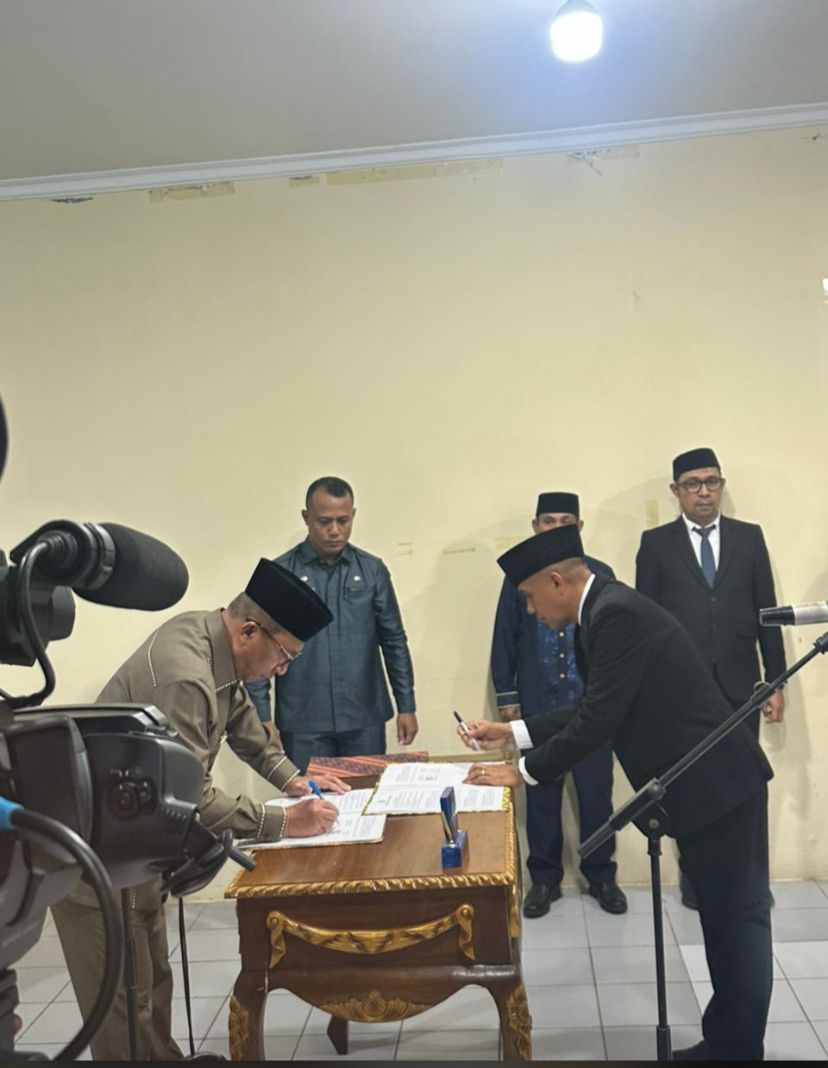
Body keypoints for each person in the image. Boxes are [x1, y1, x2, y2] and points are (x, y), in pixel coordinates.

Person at [460, 525, 774, 1062]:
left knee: (737, 922)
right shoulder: (604, 609)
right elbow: (596, 706)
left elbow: (599, 719)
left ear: (557, 582)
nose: (531, 611)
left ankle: (738, 1050)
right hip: (702, 789)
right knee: (721, 922)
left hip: (719, 786)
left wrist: (524, 772)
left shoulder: (615, 615)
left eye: (531, 598)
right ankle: (728, 1044)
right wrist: (512, 732)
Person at [53, 558, 348, 1061]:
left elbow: (244, 725)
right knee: (123, 1004)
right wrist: (284, 821)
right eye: (285, 656)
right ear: (250, 630)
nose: (282, 670)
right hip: (96, 855)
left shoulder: (212, 640)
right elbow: (188, 794)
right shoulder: (185, 675)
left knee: (153, 982)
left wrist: (294, 780)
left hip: (136, 843)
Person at [635, 446, 786, 908]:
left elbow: (768, 612)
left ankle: (750, 880)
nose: (704, 492)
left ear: (721, 485)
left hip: (742, 685)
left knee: (746, 784)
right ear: (676, 490)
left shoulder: (749, 538)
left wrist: (776, 680)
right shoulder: (656, 544)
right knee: (692, 786)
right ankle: (696, 879)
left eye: (712, 482)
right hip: (682, 691)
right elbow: (646, 622)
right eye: (693, 484)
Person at [491, 491, 626, 917]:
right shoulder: (521, 580)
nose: (556, 529)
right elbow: (504, 638)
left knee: (596, 796)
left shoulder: (598, 576)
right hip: (539, 704)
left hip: (591, 707)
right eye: (548, 521)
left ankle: (601, 875)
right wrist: (508, 696)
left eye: (566, 522)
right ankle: (544, 880)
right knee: (540, 793)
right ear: (535, 526)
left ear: (579, 527)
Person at [246, 476, 417, 773]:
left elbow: (394, 641)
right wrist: (262, 716)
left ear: (353, 516)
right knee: (310, 798)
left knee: (366, 795)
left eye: (343, 521)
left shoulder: (372, 571)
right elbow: (256, 650)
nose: (335, 531)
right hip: (303, 722)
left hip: (363, 716)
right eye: (324, 521)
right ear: (306, 517)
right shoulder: (281, 573)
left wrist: (407, 704)